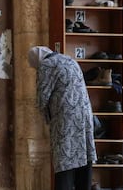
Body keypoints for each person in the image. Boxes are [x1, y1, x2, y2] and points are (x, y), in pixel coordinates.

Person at [27, 46, 97, 190]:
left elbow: (42, 97)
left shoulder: (46, 65)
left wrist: (44, 118)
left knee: (65, 160)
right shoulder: (69, 60)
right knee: (83, 159)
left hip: (66, 117)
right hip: (84, 115)